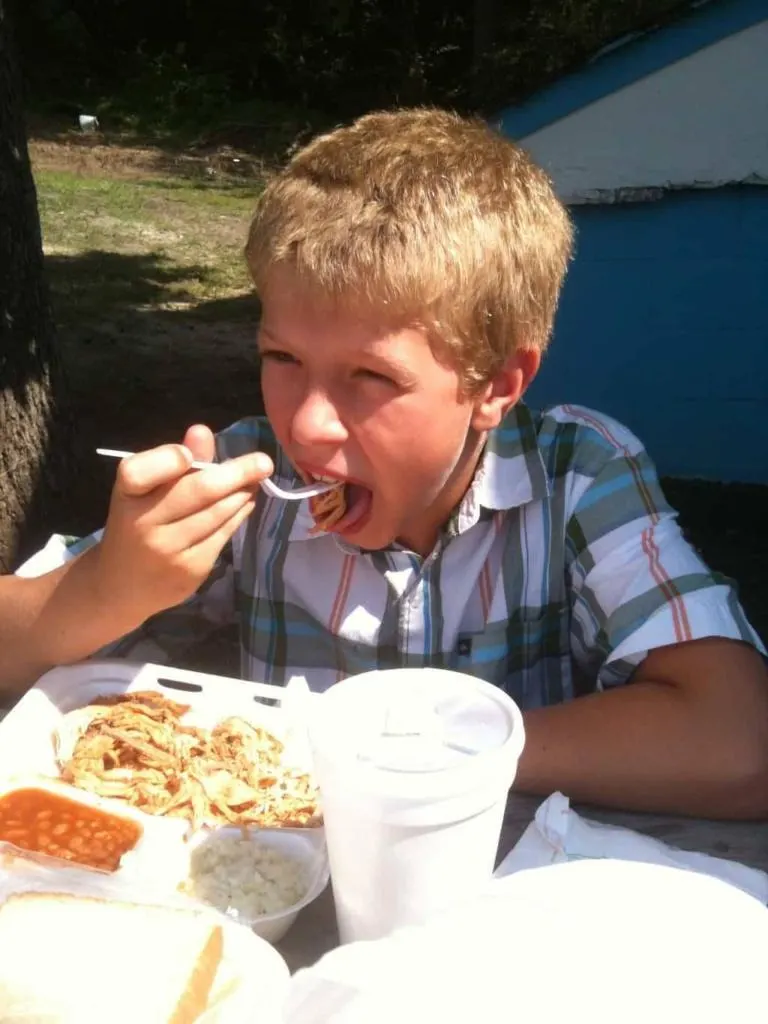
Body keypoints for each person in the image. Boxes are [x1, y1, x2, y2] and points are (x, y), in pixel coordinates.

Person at [1, 108, 766, 819]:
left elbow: (741, 742)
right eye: (282, 357)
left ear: (497, 385)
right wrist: (106, 589)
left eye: (371, 378)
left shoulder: (577, 479)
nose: (304, 423)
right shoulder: (244, 479)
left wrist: (429, 758)